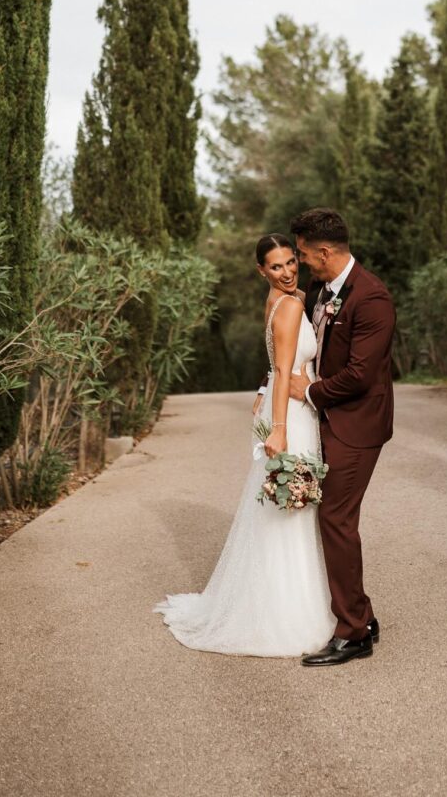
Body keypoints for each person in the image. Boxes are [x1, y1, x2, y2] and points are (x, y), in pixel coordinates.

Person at [152, 234, 335, 656]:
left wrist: (262, 387)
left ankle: (280, 602)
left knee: (282, 508)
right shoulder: (290, 305)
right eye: (276, 267)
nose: (287, 272)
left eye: (291, 262)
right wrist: (281, 430)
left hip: (280, 405)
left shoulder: (280, 298)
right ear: (261, 271)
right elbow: (286, 364)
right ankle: (285, 614)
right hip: (291, 417)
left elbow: (274, 364)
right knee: (290, 508)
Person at [286, 207, 396, 667]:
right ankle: (362, 615)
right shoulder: (319, 289)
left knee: (336, 519)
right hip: (324, 420)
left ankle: (353, 634)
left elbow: (358, 375)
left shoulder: (372, 299)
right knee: (329, 517)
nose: (301, 262)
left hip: (357, 425)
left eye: (304, 254)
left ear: (325, 251)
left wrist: (307, 390)